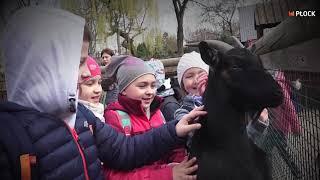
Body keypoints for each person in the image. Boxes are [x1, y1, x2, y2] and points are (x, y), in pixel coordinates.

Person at [0, 7, 206, 180]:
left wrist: (174, 130)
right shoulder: (9, 135)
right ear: (42, 64)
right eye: (79, 62)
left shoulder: (81, 115)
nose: (87, 71)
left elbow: (125, 150)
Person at [103, 55, 195, 180]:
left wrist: (182, 164)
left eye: (153, 86)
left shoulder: (157, 112)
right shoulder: (116, 118)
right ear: (123, 89)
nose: (150, 91)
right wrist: (167, 174)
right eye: (142, 86)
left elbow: (169, 147)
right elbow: (113, 174)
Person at [174, 51, 270, 149]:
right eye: (189, 76)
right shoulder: (182, 113)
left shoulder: (227, 100)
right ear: (182, 84)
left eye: (201, 73)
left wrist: (258, 124)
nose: (196, 80)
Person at [78, 56, 104, 121]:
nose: (98, 90)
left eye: (99, 82)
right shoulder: (76, 121)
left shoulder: (100, 111)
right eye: (90, 84)